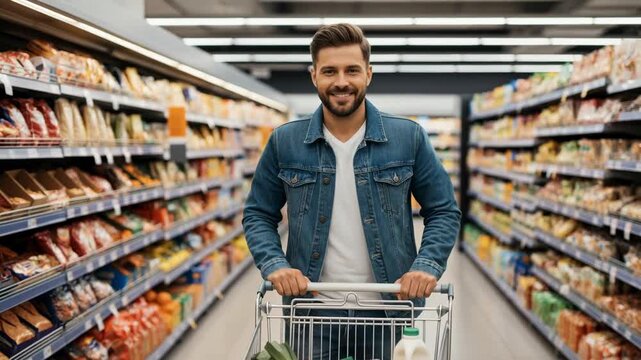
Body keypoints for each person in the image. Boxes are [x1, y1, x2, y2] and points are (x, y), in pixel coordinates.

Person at [243, 23, 460, 360]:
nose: (341, 81)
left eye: (351, 70)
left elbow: (443, 210)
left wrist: (427, 265)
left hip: (390, 311)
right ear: (314, 75)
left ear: (368, 74)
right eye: (329, 71)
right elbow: (258, 213)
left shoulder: (408, 137)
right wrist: (275, 264)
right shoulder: (284, 142)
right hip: (311, 313)